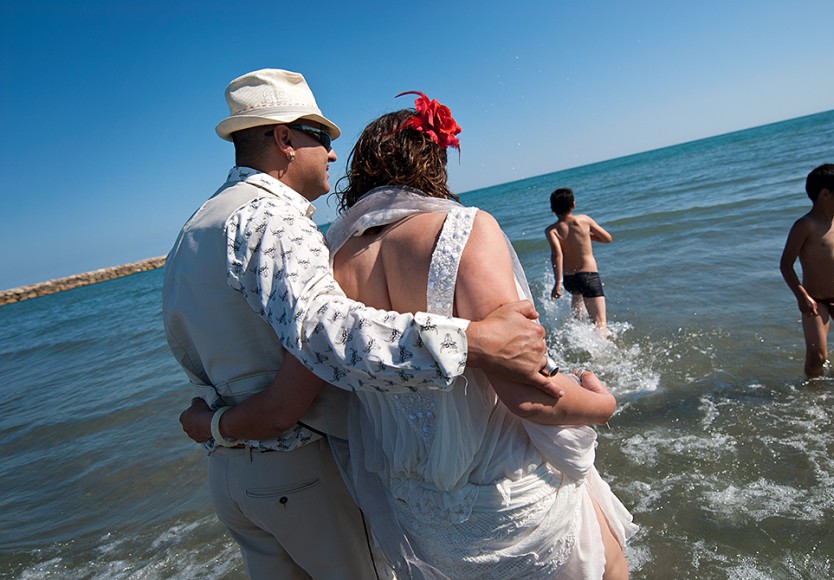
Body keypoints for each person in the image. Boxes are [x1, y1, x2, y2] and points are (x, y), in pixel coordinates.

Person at [184, 92, 637, 578]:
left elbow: (292, 393)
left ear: (365, 170)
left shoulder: (328, 262)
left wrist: (217, 425)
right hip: (511, 496)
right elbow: (527, 397)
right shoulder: (466, 228)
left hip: (422, 519)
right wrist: (603, 404)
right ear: (433, 161)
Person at [780, 163, 834, 378]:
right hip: (816, 300)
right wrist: (802, 296)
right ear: (826, 194)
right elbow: (786, 264)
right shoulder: (805, 225)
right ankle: (814, 394)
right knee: (817, 356)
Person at [545, 187, 613, 337]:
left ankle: (576, 335)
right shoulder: (584, 220)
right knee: (600, 323)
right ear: (573, 205)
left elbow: (557, 254)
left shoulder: (552, 230)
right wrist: (586, 235)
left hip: (570, 280)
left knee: (577, 300)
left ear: (552, 209)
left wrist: (557, 283)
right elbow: (607, 238)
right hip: (588, 276)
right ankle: (602, 350)